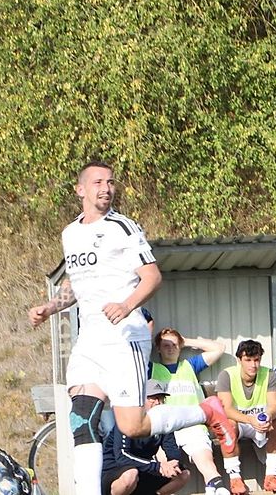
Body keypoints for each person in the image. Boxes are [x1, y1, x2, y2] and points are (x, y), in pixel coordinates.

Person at [26, 160, 230, 493]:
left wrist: (126, 304)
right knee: (82, 420)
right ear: (80, 189)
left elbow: (152, 277)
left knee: (133, 425)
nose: (105, 187)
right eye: (97, 182)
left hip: (124, 340)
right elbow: (74, 285)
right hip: (90, 341)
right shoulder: (71, 233)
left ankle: (205, 410)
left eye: (110, 182)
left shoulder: (122, 227)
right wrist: (49, 308)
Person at [149, 327, 228, 495]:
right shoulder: (152, 368)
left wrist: (187, 341)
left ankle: (216, 488)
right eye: (165, 345)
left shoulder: (190, 366)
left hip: (192, 425)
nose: (170, 348)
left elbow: (219, 348)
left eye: (175, 344)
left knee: (205, 461)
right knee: (165, 467)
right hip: (165, 429)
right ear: (158, 348)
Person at [217, 340, 276, 495]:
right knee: (227, 425)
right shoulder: (226, 375)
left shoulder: (268, 374)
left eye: (256, 360)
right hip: (240, 423)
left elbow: (274, 406)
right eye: (248, 360)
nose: (253, 365)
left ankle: (271, 476)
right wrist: (250, 420)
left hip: (260, 422)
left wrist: (268, 416)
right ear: (239, 360)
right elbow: (226, 410)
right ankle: (235, 479)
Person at [101, 380, 191, 495]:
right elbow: (122, 457)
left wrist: (174, 463)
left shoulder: (163, 422)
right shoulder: (127, 422)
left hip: (144, 469)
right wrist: (157, 466)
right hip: (116, 471)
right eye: (152, 398)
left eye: (161, 398)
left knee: (183, 474)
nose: (158, 402)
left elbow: (172, 448)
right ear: (141, 401)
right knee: (130, 475)